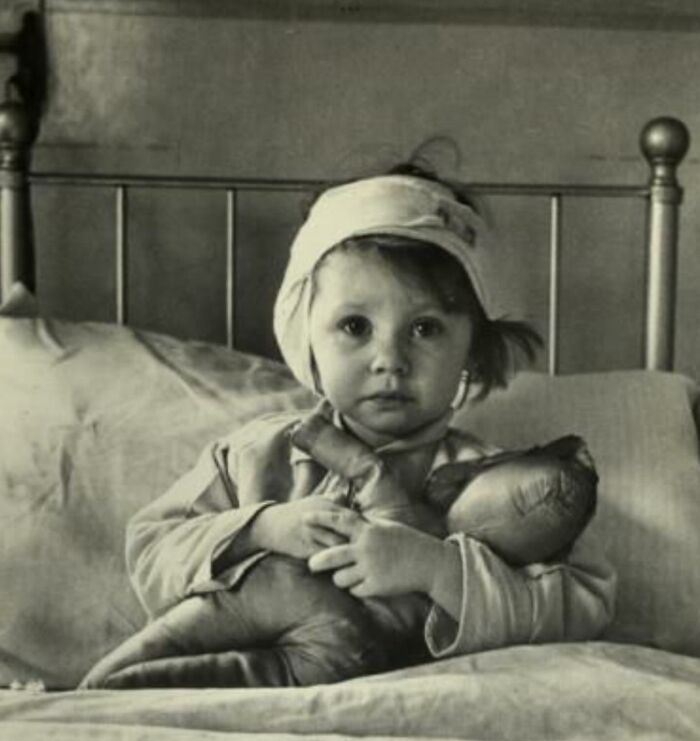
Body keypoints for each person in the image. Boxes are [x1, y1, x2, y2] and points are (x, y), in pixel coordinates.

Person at [81, 168, 616, 689]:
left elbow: (581, 607)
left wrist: (434, 570)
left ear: (472, 348)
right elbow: (152, 551)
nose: (390, 359)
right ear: (305, 336)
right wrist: (262, 528)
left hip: (396, 716)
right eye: (355, 327)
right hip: (231, 697)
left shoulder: (493, 483)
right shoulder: (255, 455)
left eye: (425, 329)